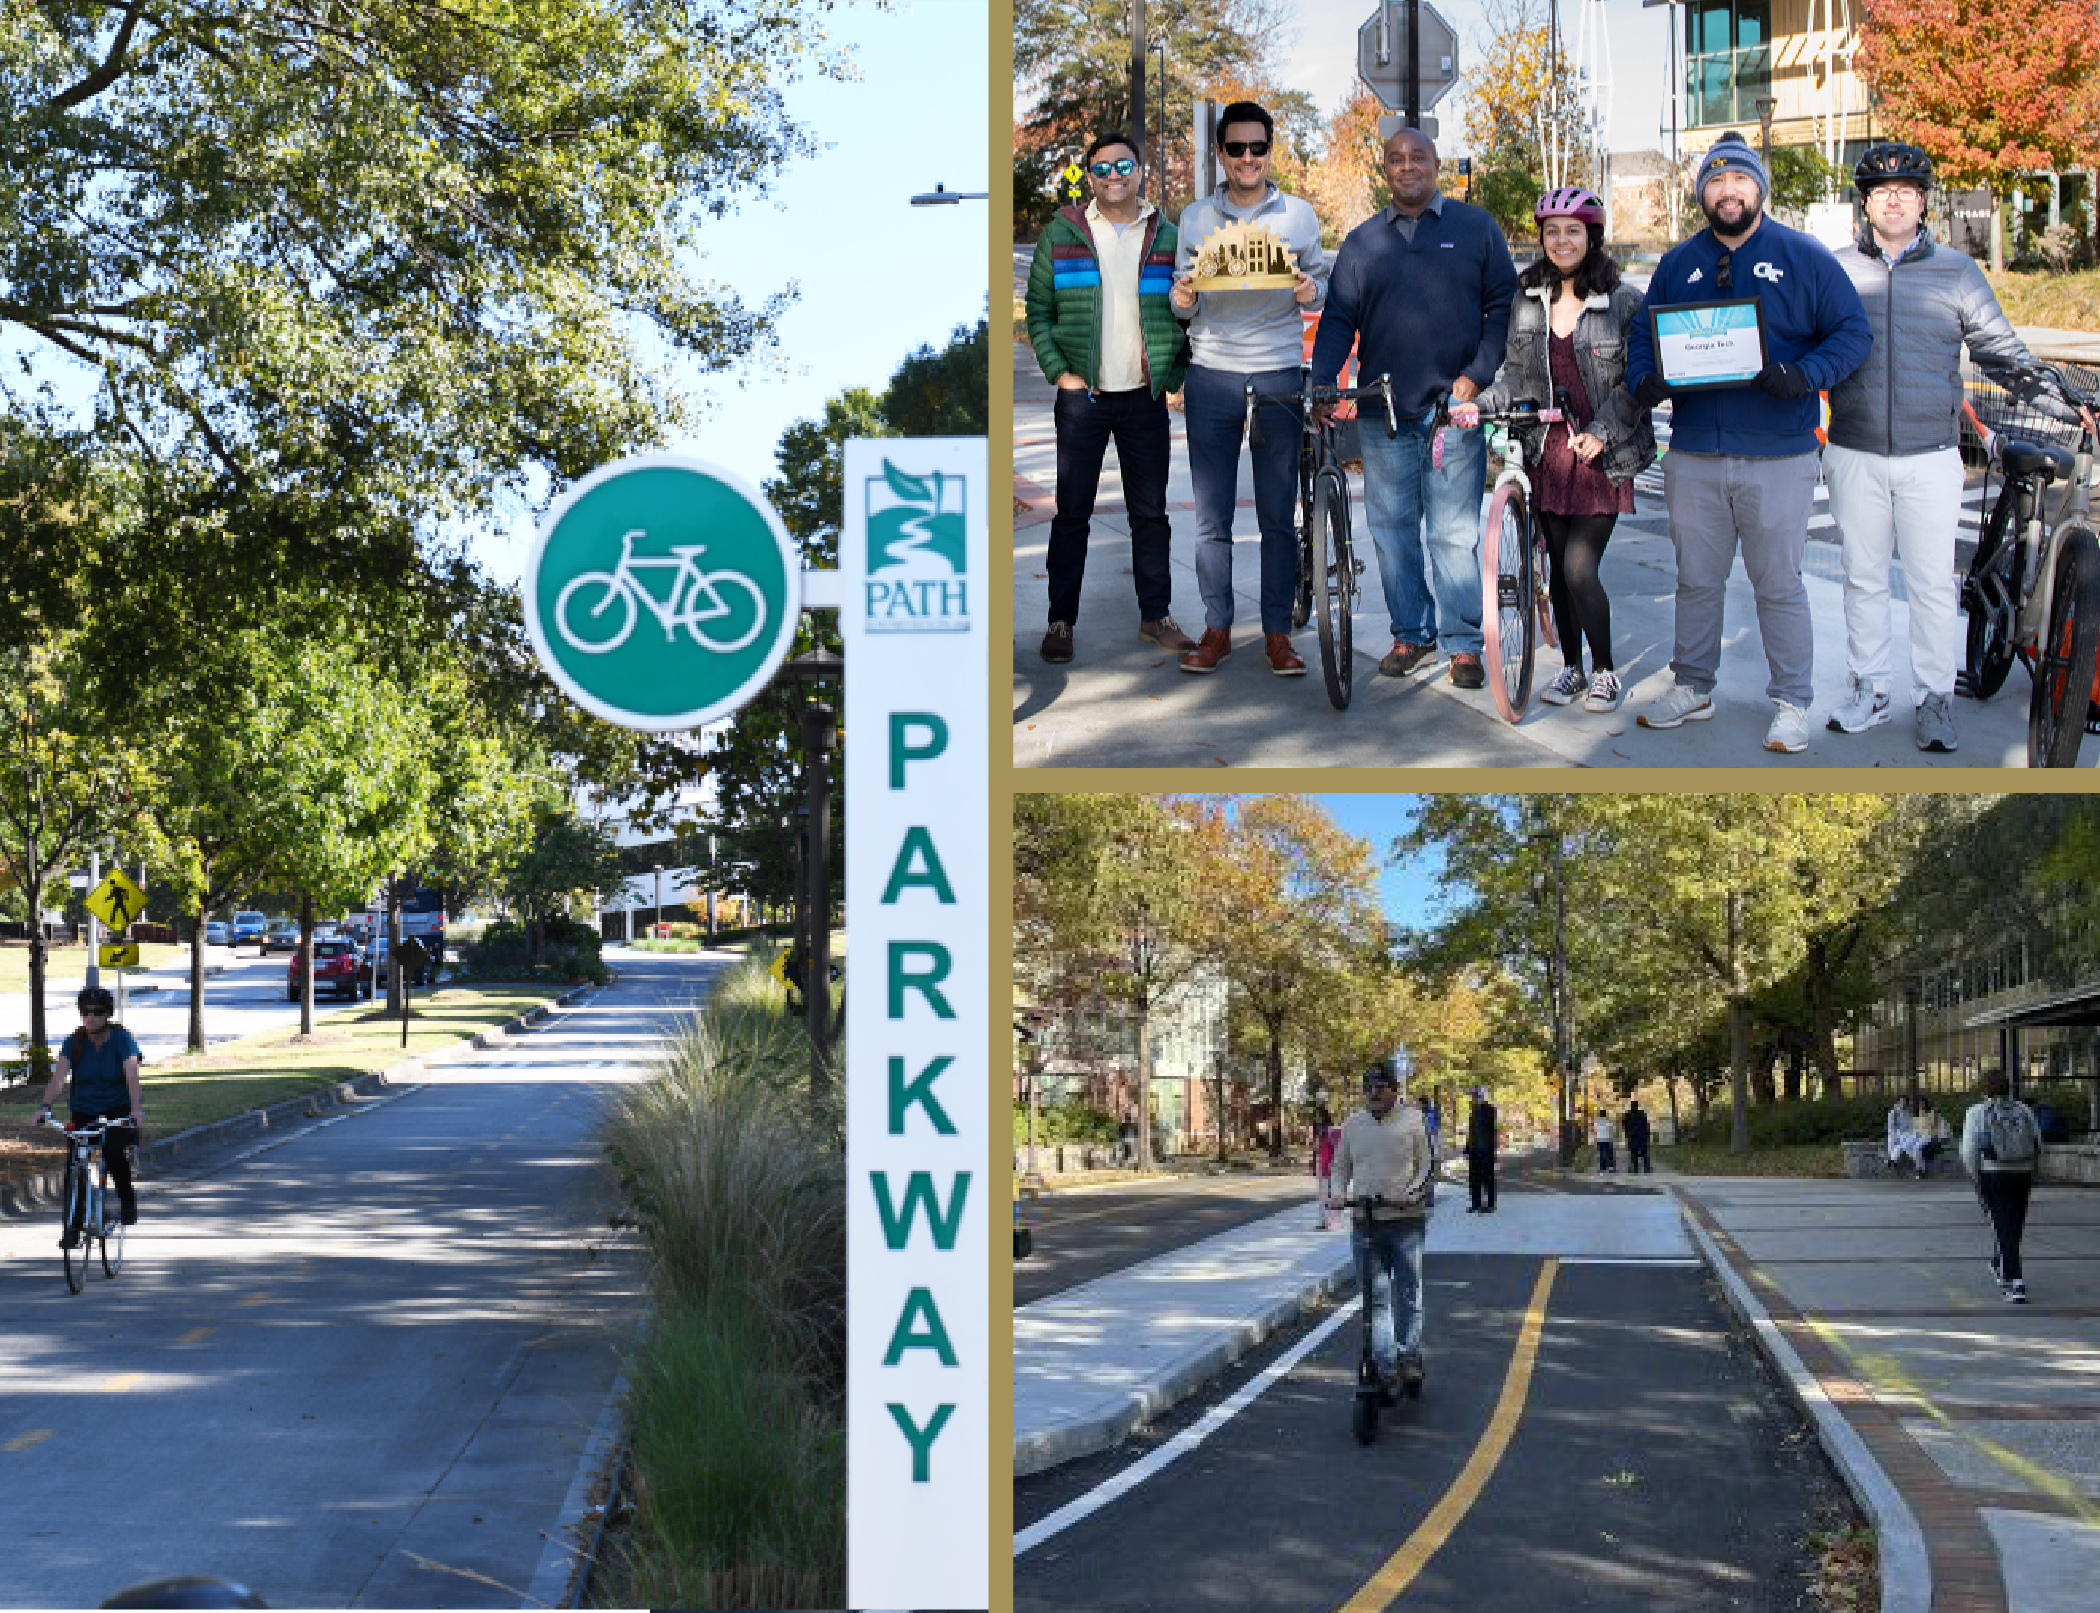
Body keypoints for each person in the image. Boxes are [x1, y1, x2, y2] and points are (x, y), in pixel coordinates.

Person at [1627, 131, 1872, 752]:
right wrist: (1645, 379)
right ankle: (1693, 686)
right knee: (1697, 581)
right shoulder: (1679, 262)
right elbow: (1640, 335)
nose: (1727, 191)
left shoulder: (1804, 255)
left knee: (1779, 585)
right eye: (1714, 180)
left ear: (1759, 187)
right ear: (1701, 192)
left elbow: (1851, 334)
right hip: (1695, 453)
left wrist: (1803, 376)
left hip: (1778, 455)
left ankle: (1792, 702)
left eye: (1738, 179)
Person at [1824, 142, 2046, 753]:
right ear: (1864, 204)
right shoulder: (1835, 269)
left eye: (1906, 192)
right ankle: (1869, 687)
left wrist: (2054, 397)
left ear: (1924, 202)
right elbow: (1797, 340)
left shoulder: (1955, 271)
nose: (1893, 200)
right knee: (1862, 577)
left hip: (1931, 455)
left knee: (1930, 583)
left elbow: (2000, 351)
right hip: (1854, 448)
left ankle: (1933, 698)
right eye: (1880, 192)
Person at [1310, 126, 1518, 690]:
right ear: (1386, 169)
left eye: (1418, 157)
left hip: (1454, 408)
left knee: (1452, 532)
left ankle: (1463, 643)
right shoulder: (1361, 242)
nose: (1407, 167)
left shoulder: (1475, 228)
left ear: (1435, 163)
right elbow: (1336, 320)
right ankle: (1413, 632)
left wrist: (1477, 376)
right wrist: (1323, 380)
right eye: (1396, 159)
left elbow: (1502, 304)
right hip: (1384, 411)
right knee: (1391, 528)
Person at [1457, 187, 1654, 713]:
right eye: (1552, 232)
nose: (1562, 240)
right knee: (1558, 578)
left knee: (1578, 570)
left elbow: (1636, 385)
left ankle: (1605, 669)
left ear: (1593, 237)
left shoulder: (1625, 303)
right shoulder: (1529, 300)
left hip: (1601, 458)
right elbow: (1517, 376)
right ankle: (1571, 668)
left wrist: (1602, 431)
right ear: (1541, 238)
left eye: (1573, 230)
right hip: (1547, 453)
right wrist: (1483, 404)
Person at [1170, 101, 1329, 676]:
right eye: (1235, 149)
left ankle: (1277, 634)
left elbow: (1322, 288)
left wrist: (1312, 292)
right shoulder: (1194, 219)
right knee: (1211, 516)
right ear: (1219, 154)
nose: (1246, 158)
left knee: (1276, 516)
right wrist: (1181, 303)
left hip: (1277, 372)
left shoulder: (1299, 216)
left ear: (1269, 151)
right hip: (1211, 372)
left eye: (1256, 148)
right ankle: (1216, 629)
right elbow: (1178, 298)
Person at [1025, 132, 1194, 666]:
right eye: (1102, 168)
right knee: (1072, 513)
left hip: (1145, 398)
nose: (1113, 174)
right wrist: (1060, 373)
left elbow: (1193, 307)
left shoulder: (1168, 235)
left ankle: (1156, 615)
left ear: (1140, 171)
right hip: (1084, 400)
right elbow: (1037, 311)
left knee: (1152, 514)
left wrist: (1173, 373)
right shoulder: (1063, 233)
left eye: (1124, 165)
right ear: (1089, 176)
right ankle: (1060, 621)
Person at [1326, 1065, 1435, 1395]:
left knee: (1408, 1294)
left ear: (1394, 1088)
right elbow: (1340, 1166)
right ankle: (1386, 1366)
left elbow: (1429, 1165)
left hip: (1406, 1222)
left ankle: (1409, 1357)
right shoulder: (1353, 1124)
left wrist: (1413, 1192)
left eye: (1380, 1085)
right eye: (1368, 1086)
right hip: (1366, 1222)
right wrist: (1337, 1191)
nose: (1374, 1092)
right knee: (1376, 1299)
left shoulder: (1413, 1120)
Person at [36, 986, 144, 1246]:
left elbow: (131, 1076)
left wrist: (135, 1109)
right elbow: (59, 1076)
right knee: (75, 1163)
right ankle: (72, 1227)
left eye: (96, 1013)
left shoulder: (122, 1040)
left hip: (117, 1109)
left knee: (113, 1151)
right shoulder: (74, 1042)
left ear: (107, 1014)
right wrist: (45, 1106)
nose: (90, 1018)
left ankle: (127, 1199)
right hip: (84, 1110)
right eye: (85, 1012)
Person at [1961, 1069, 2044, 1302]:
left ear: (1983, 1089)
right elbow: (2038, 1142)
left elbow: (1969, 1150)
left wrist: (1975, 1176)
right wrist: (2033, 1172)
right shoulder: (2023, 1109)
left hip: (1994, 1173)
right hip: (2023, 1173)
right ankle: (1999, 1262)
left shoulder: (1976, 1112)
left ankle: (2015, 1283)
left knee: (2001, 1226)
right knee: (2014, 1225)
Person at [1463, 1086, 1498, 1212]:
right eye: (1473, 1096)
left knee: (1487, 1177)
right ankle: (1476, 1203)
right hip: (1474, 1149)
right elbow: (1471, 1132)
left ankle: (1490, 1204)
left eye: (1476, 1096)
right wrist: (1466, 1148)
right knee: (1474, 1178)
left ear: (1482, 1096)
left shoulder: (1489, 1110)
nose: (1473, 1098)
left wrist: (1492, 1150)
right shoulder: (1473, 1111)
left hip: (1485, 1149)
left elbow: (1491, 1131)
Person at [1313, 1103, 1340, 1229]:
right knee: (1322, 1196)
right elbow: (1317, 1150)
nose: (1317, 1119)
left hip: (1329, 1167)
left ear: (1325, 1117)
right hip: (1321, 1166)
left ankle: (1331, 1222)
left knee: (1329, 1195)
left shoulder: (1332, 1131)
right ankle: (1323, 1222)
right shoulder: (1319, 1132)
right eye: (1316, 1116)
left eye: (1319, 1116)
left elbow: (1337, 1149)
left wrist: (1333, 1164)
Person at [1886, 1094, 1918, 1173]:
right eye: (1901, 1101)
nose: (1903, 1103)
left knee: (1902, 1145)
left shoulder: (1908, 1112)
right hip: (1896, 1133)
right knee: (1896, 1143)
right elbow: (1891, 1126)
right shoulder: (1894, 1112)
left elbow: (1911, 1124)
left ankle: (1892, 1160)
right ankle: (1893, 1160)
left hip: (1907, 1134)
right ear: (1898, 1102)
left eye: (1904, 1102)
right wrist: (1896, 1135)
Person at [1623, 1098, 1653, 1174]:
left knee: (1633, 1152)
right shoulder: (1642, 1114)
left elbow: (1625, 1126)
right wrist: (1648, 1135)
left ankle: (1635, 1168)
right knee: (1645, 1153)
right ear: (1637, 1106)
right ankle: (1646, 1168)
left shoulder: (1627, 1115)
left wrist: (1627, 1135)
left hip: (1632, 1136)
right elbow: (1646, 1125)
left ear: (1631, 1106)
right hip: (1642, 1136)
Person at [1593, 1108, 1617, 1172]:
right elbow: (1612, 1130)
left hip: (1600, 1139)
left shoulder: (1596, 1121)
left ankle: (1602, 1168)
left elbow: (1595, 1131)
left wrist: (1595, 1139)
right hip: (1608, 1139)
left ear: (1600, 1114)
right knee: (1609, 1153)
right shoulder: (1608, 1121)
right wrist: (1612, 1138)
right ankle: (1611, 1167)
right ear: (1605, 1114)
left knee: (1601, 1153)